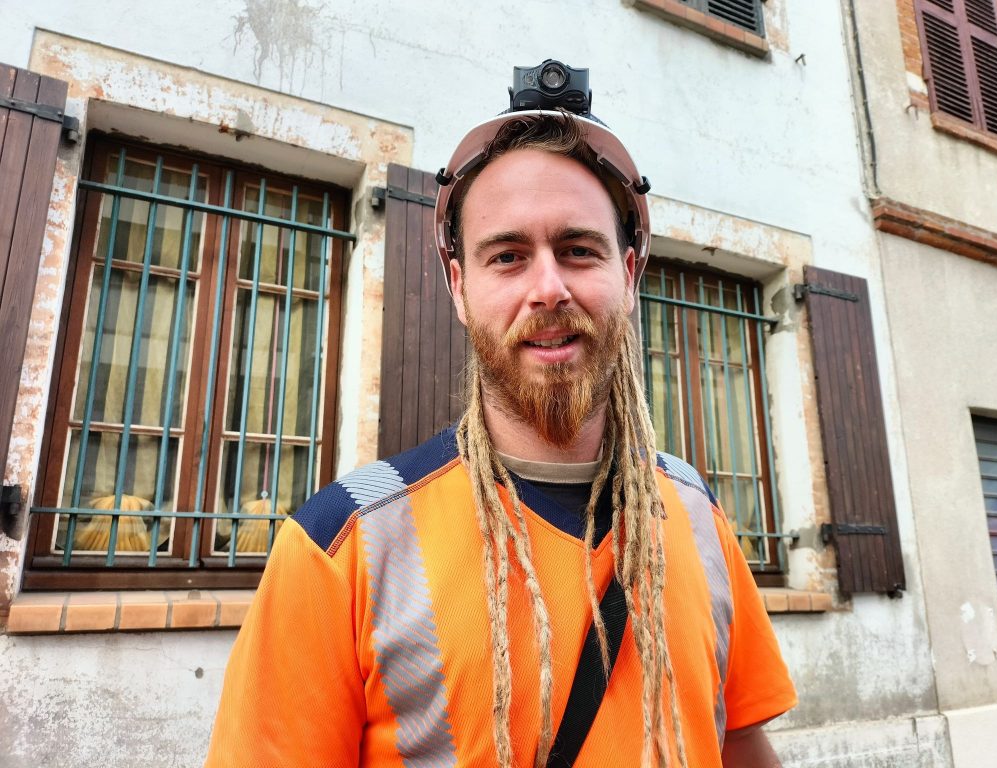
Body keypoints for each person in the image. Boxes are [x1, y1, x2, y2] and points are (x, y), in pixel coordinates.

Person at [206, 60, 796, 768]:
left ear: (630, 275)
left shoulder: (697, 514)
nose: (548, 288)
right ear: (459, 286)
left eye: (579, 250)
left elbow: (739, 744)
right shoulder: (344, 547)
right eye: (509, 256)